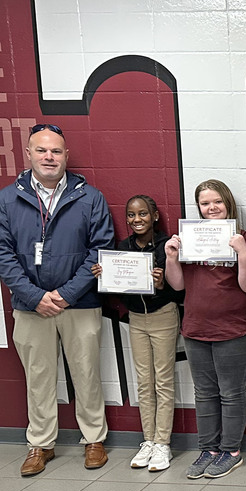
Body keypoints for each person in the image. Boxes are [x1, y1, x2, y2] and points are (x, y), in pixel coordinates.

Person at [0, 123, 115, 476]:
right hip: (31, 308)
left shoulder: (90, 197)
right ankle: (41, 444)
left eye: (56, 151)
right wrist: (35, 296)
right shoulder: (6, 199)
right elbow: (0, 254)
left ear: (66, 156)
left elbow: (99, 250)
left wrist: (66, 294)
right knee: (38, 377)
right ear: (28, 154)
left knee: (86, 372)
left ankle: (93, 440)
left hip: (80, 303)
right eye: (41, 150)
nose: (49, 157)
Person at [165, 179, 246, 479]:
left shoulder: (244, 238)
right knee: (204, 393)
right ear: (199, 208)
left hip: (235, 329)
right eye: (205, 203)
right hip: (195, 328)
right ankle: (208, 449)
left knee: (231, 393)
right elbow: (178, 285)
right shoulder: (190, 238)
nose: (212, 207)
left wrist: (243, 253)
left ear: (228, 203)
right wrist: (171, 257)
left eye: (217, 201)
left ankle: (231, 451)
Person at [90, 195, 183, 472]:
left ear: (154, 216)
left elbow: (180, 288)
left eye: (143, 214)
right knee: (144, 381)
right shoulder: (122, 248)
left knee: (163, 380)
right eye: (131, 215)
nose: (137, 219)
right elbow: (120, 287)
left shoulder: (166, 245)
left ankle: (163, 443)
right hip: (136, 319)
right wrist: (104, 276)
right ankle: (149, 440)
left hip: (163, 315)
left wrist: (161, 282)